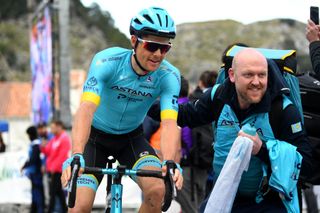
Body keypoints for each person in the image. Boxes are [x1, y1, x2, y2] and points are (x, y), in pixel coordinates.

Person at [61, 6, 183, 213]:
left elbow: (170, 123)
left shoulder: (169, 75)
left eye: (165, 48)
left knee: (157, 190)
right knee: (79, 207)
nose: (158, 55)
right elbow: (86, 108)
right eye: (152, 46)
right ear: (134, 41)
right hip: (94, 139)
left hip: (131, 140)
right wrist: (76, 153)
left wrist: (170, 161)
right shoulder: (107, 61)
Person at [176, 48, 312, 212]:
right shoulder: (218, 96)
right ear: (232, 75)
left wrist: (262, 149)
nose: (256, 82)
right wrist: (142, 104)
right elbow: (184, 115)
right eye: (248, 75)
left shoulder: (283, 110)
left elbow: (306, 165)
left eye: (262, 75)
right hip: (222, 196)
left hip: (267, 203)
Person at [41, 120, 71, 213]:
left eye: (53, 127)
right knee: (58, 192)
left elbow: (62, 156)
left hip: (58, 171)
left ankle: (50, 210)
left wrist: (54, 168)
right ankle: (65, 210)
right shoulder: (54, 139)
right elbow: (47, 152)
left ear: (59, 127)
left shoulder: (64, 138)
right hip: (53, 170)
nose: (51, 130)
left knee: (53, 193)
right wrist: (43, 146)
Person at [22, 126, 45, 213]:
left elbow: (33, 159)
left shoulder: (36, 145)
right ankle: (35, 209)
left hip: (36, 172)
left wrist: (25, 166)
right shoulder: (35, 144)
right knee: (35, 191)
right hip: (34, 172)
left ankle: (39, 209)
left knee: (37, 192)